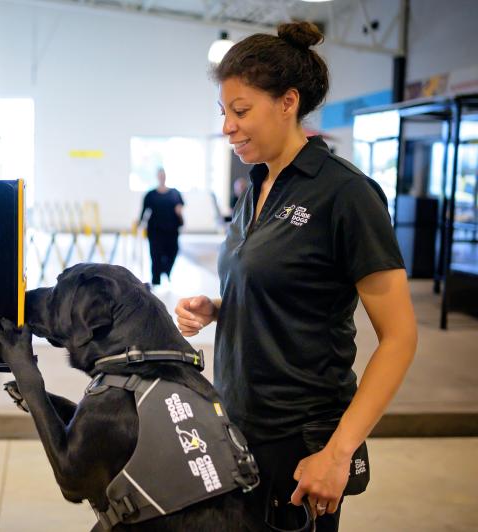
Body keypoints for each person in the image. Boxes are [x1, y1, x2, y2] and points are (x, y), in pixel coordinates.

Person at [174, 22, 417, 531]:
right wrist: (220, 307)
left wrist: (338, 453)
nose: (227, 127)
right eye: (223, 112)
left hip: (300, 443)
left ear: (288, 102)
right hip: (237, 425)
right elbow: (288, 287)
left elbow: (400, 338)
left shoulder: (345, 194)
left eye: (241, 111)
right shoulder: (257, 185)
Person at [139, 167, 184, 287]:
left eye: (163, 175)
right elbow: (144, 212)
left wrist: (180, 214)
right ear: (157, 177)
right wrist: (140, 224)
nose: (162, 177)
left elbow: (180, 208)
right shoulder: (150, 195)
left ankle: (166, 270)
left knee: (173, 252)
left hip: (172, 229)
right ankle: (156, 281)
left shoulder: (175, 193)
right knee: (155, 255)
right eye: (160, 175)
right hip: (155, 230)